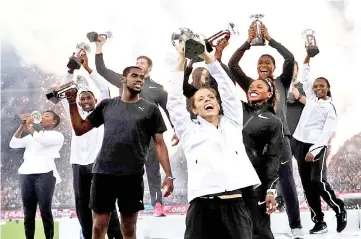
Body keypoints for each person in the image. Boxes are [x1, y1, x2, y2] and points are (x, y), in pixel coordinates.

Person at [65, 65, 174, 239]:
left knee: (129, 229)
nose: (139, 79)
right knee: (98, 228)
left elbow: (160, 144)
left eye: (142, 77)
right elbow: (80, 129)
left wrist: (169, 175)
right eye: (134, 76)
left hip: (132, 175)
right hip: (103, 173)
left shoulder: (150, 109)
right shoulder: (107, 105)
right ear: (123, 79)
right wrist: (71, 102)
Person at [168, 41, 261, 239]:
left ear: (219, 104)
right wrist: (181, 59)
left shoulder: (233, 123)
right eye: (200, 99)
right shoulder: (188, 130)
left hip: (235, 205)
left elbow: (228, 90)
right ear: (194, 109)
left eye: (210, 98)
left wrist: (207, 56)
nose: (207, 101)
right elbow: (174, 102)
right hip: (201, 207)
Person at [228, 22, 304, 238]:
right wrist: (247, 42)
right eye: (260, 62)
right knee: (255, 184)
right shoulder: (252, 84)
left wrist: (269, 40)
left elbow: (289, 58)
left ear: (273, 67)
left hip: (281, 138)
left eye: (268, 62)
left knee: (287, 180)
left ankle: (296, 225)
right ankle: (252, 227)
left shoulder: (282, 81)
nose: (263, 64)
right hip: (254, 143)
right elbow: (233, 65)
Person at [94, 37, 177, 216]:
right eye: (137, 62)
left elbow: (169, 111)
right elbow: (101, 69)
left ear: (149, 68)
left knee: (153, 171)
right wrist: (99, 47)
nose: (138, 64)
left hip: (148, 137)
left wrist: (176, 130)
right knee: (123, 171)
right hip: (124, 136)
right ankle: (123, 206)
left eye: (142, 63)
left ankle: (157, 204)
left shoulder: (158, 89)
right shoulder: (125, 80)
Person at [61, 54, 122, 239]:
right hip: (78, 164)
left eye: (89, 98)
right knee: (82, 205)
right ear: (78, 101)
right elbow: (64, 92)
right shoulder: (74, 113)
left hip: (100, 165)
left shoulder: (102, 113)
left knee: (106, 204)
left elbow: (104, 88)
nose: (85, 101)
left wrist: (88, 68)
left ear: (95, 100)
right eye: (82, 99)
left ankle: (115, 236)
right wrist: (70, 70)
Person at [293, 54, 347, 234]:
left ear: (328, 88)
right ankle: (319, 222)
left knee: (317, 180)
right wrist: (307, 56)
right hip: (300, 143)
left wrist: (315, 150)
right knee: (307, 185)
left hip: (316, 147)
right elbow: (305, 77)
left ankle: (339, 208)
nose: (317, 88)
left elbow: (327, 132)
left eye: (321, 85)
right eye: (315, 86)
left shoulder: (330, 107)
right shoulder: (310, 97)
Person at [9, 110, 64, 239]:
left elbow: (42, 141)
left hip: (45, 173)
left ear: (54, 121)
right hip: (26, 173)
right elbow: (13, 143)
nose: (42, 117)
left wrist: (29, 126)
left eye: (47, 116)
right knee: (28, 212)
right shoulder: (33, 135)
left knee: (45, 210)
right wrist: (22, 126)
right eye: (43, 115)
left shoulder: (57, 135)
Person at [241, 78, 283, 239]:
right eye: (251, 86)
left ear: (269, 93)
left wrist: (271, 190)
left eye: (259, 86)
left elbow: (273, 158)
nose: (253, 88)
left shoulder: (273, 122)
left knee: (258, 230)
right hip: (230, 179)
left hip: (254, 181)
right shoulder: (236, 108)